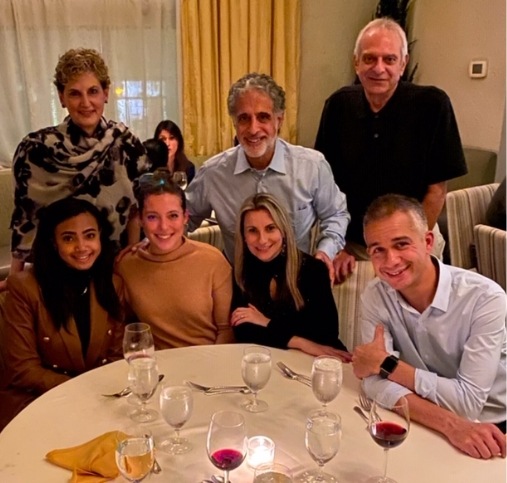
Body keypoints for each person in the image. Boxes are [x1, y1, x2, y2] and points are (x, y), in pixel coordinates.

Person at [352, 194, 506, 459]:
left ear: (428, 242)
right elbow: (373, 384)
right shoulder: (375, 295)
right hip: (427, 420)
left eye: (401, 244)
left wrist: (388, 365)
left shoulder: (485, 299)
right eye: (378, 250)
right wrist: (449, 424)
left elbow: (467, 404)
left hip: (492, 429)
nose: (390, 261)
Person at [315, 17, 467, 283]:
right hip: (354, 244)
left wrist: (407, 246)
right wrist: (337, 245)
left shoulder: (433, 105)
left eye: (389, 59)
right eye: (370, 59)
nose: (379, 68)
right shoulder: (338, 106)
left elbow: (436, 193)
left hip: (415, 237)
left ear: (403, 63)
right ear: (356, 62)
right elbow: (326, 189)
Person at [2, 47, 152, 291]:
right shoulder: (35, 150)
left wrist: (127, 268)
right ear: (61, 97)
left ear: (106, 93)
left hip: (111, 270)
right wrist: (15, 280)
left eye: (93, 91)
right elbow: (24, 219)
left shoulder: (126, 144)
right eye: (74, 93)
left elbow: (136, 210)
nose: (85, 103)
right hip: (54, 275)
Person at [186, 72, 350, 282]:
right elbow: (183, 218)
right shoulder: (213, 174)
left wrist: (324, 252)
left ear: (279, 120)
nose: (253, 129)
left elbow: (336, 214)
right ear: (234, 124)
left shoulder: (311, 167)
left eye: (263, 117)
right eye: (244, 118)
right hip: (240, 286)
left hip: (297, 284)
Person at [0, 198, 124, 431]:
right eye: (68, 238)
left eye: (89, 235)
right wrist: (82, 390)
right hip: (35, 402)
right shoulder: (24, 288)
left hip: (97, 400)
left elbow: (117, 354)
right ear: (53, 243)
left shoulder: (112, 284)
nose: (81, 247)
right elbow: (22, 369)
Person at [115, 169, 234, 348]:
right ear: (140, 220)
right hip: (157, 369)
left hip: (208, 361)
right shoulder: (127, 265)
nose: (164, 226)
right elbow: (123, 327)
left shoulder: (213, 261)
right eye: (152, 217)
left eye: (173, 216)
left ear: (185, 217)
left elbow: (225, 330)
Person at [231, 193, 350, 361]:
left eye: (270, 228)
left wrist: (266, 322)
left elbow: (325, 333)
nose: (262, 240)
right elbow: (244, 332)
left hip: (319, 360)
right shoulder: (242, 272)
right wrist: (300, 341)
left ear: (284, 231)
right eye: (252, 231)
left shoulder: (313, 269)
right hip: (269, 360)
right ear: (243, 236)